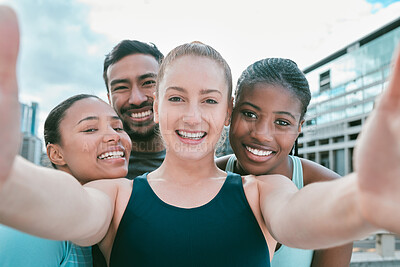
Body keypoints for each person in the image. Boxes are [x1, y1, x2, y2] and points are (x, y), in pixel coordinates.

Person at [1, 6, 400, 266]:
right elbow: (66, 209)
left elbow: (302, 220)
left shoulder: (264, 193)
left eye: (208, 101)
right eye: (176, 98)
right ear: (157, 107)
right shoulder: (116, 196)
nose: (192, 117)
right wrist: (11, 182)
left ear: (226, 112)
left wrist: (361, 200)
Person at [216, 58, 352, 266]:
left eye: (282, 122)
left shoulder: (331, 196)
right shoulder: (206, 177)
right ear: (231, 110)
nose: (262, 135)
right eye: (249, 114)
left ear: (299, 127)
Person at [0, 93, 131, 267]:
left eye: (118, 127)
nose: (114, 136)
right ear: (56, 154)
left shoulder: (130, 210)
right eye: (90, 129)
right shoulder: (38, 228)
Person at [103, 40, 166, 178]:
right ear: (109, 99)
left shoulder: (201, 161)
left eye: (148, 82)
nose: (137, 100)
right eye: (121, 87)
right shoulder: (96, 172)